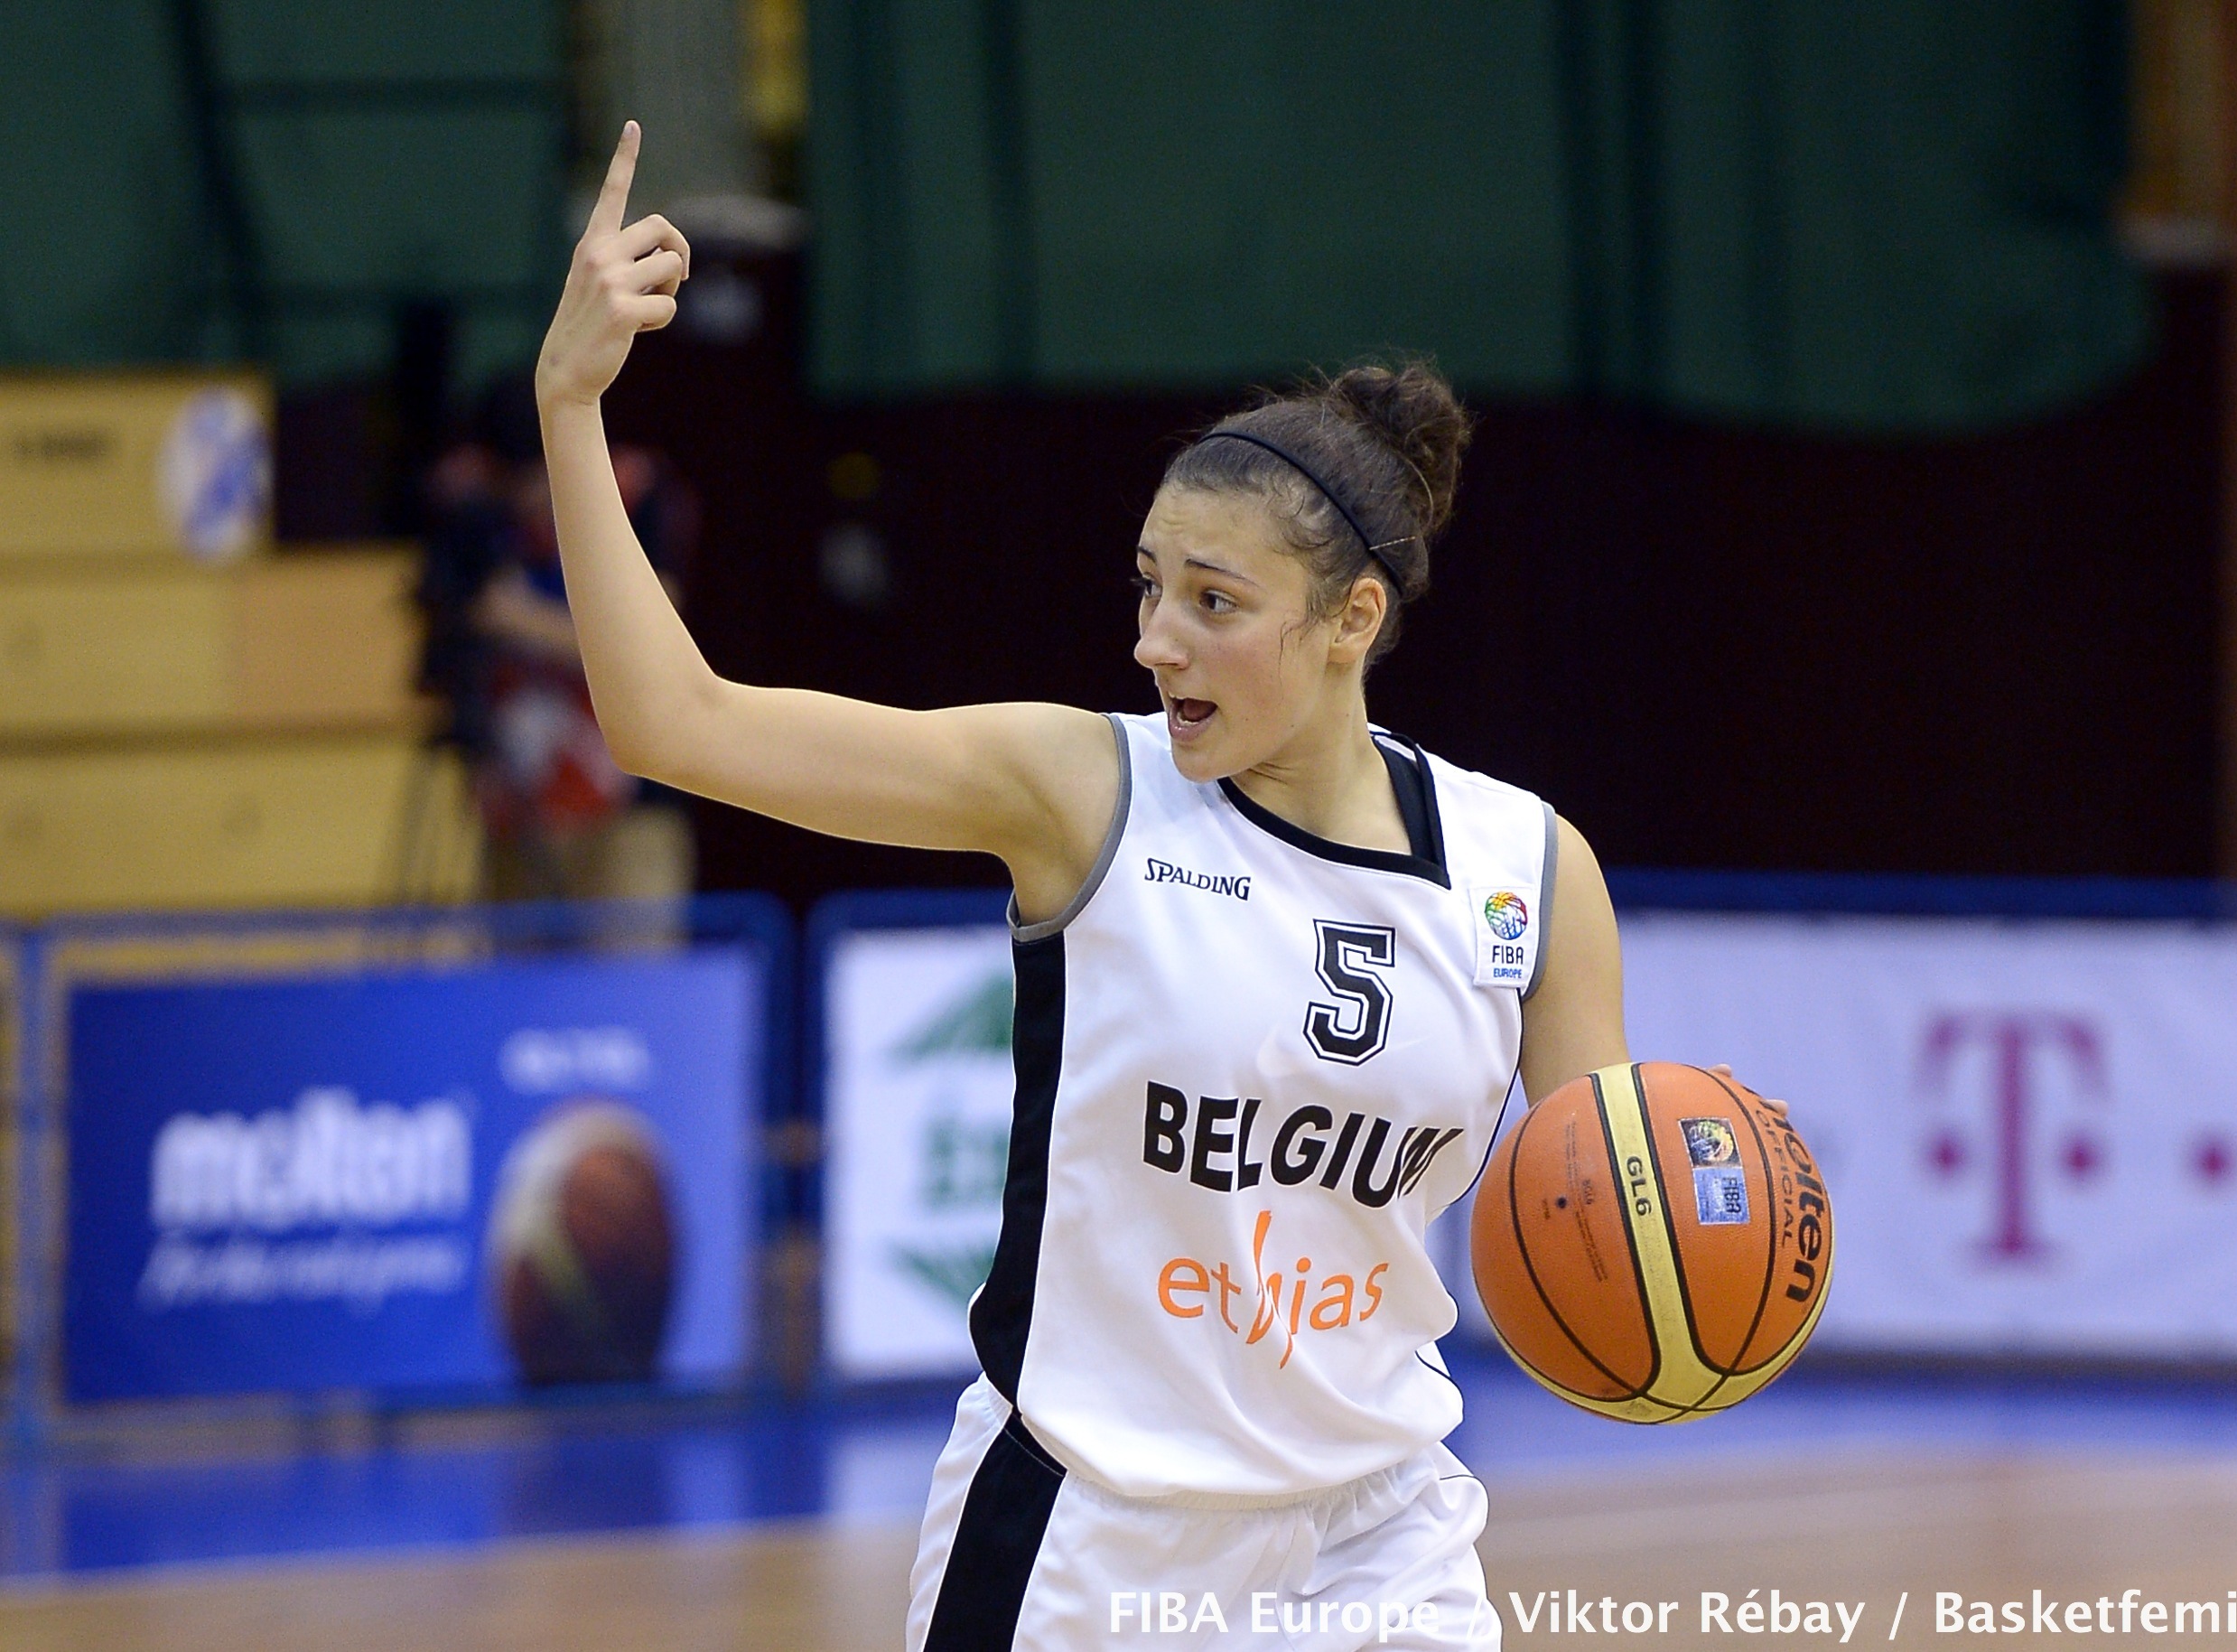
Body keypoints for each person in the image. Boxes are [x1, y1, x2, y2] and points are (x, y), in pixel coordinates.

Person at [537, 124, 1631, 1651]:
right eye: (1146, 585)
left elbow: (1600, 1220)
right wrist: (571, 406)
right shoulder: (1083, 792)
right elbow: (679, 723)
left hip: (1374, 1534)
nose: (1154, 638)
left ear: (1349, 618)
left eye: (1211, 600)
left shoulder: (1526, 868)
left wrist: (1664, 1301)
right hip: (1088, 1535)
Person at [417, 374, 699, 902]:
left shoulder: (633, 493)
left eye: (534, 483)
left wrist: (517, 619)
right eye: (513, 486)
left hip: (629, 807)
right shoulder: (478, 514)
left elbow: (653, 644)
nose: (527, 504)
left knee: (632, 981)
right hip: (517, 805)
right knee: (517, 980)